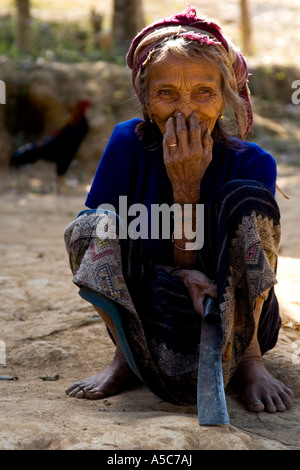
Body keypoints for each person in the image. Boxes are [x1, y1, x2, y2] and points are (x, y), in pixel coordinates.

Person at [64, 7, 294, 419]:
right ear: (147, 101)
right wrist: (179, 269)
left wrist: (188, 188)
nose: (185, 109)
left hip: (237, 317)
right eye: (166, 93)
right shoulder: (127, 144)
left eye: (204, 92)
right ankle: (126, 357)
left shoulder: (252, 161)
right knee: (89, 227)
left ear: (225, 97)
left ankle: (249, 363)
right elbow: (107, 248)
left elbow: (249, 263)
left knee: (247, 198)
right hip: (153, 312)